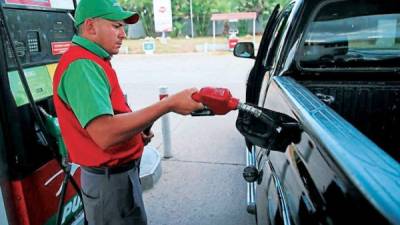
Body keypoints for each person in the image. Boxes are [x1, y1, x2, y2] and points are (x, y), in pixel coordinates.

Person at [52, 0, 203, 224]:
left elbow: (110, 119)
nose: (123, 34)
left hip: (117, 178)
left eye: (123, 27)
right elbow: (105, 133)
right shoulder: (82, 65)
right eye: (116, 26)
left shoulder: (94, 61)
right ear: (91, 27)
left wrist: (134, 133)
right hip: (109, 184)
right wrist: (167, 104)